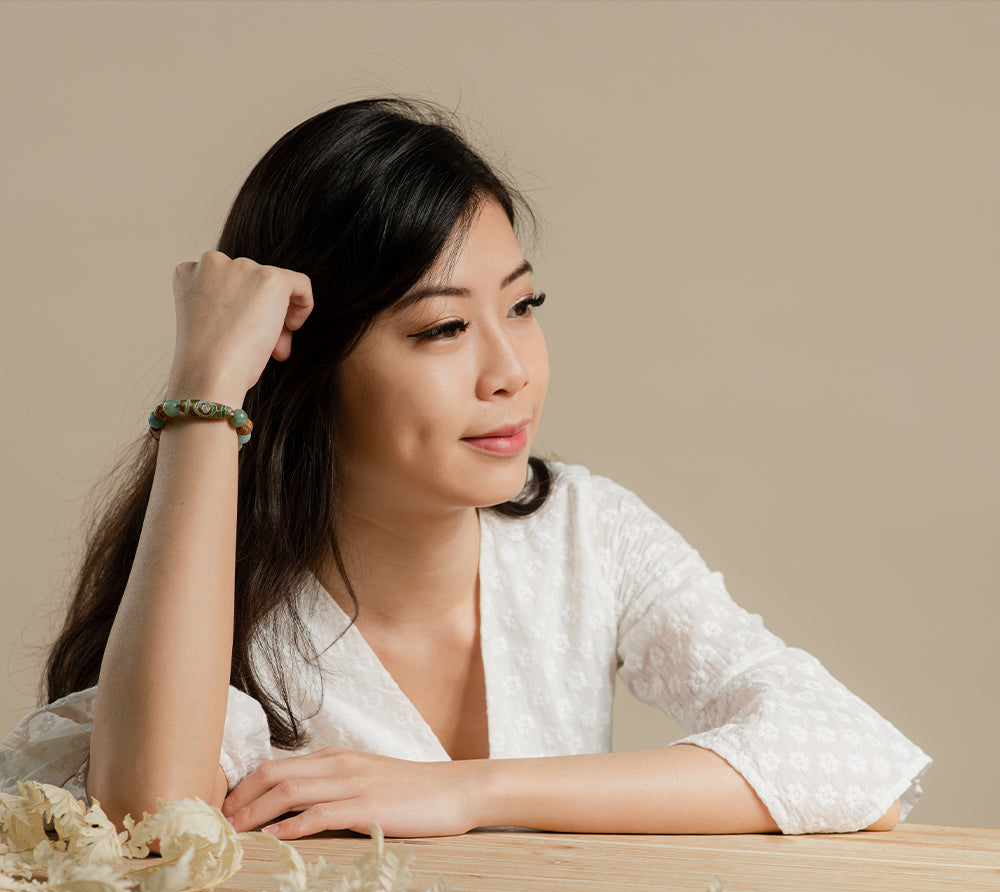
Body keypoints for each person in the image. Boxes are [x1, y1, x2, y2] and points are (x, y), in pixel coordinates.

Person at [0, 98, 929, 839]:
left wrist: (465, 794)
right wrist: (206, 390)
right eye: (443, 328)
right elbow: (149, 824)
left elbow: (856, 766)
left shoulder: (583, 533)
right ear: (309, 360)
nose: (511, 371)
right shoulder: (222, 596)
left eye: (523, 307)